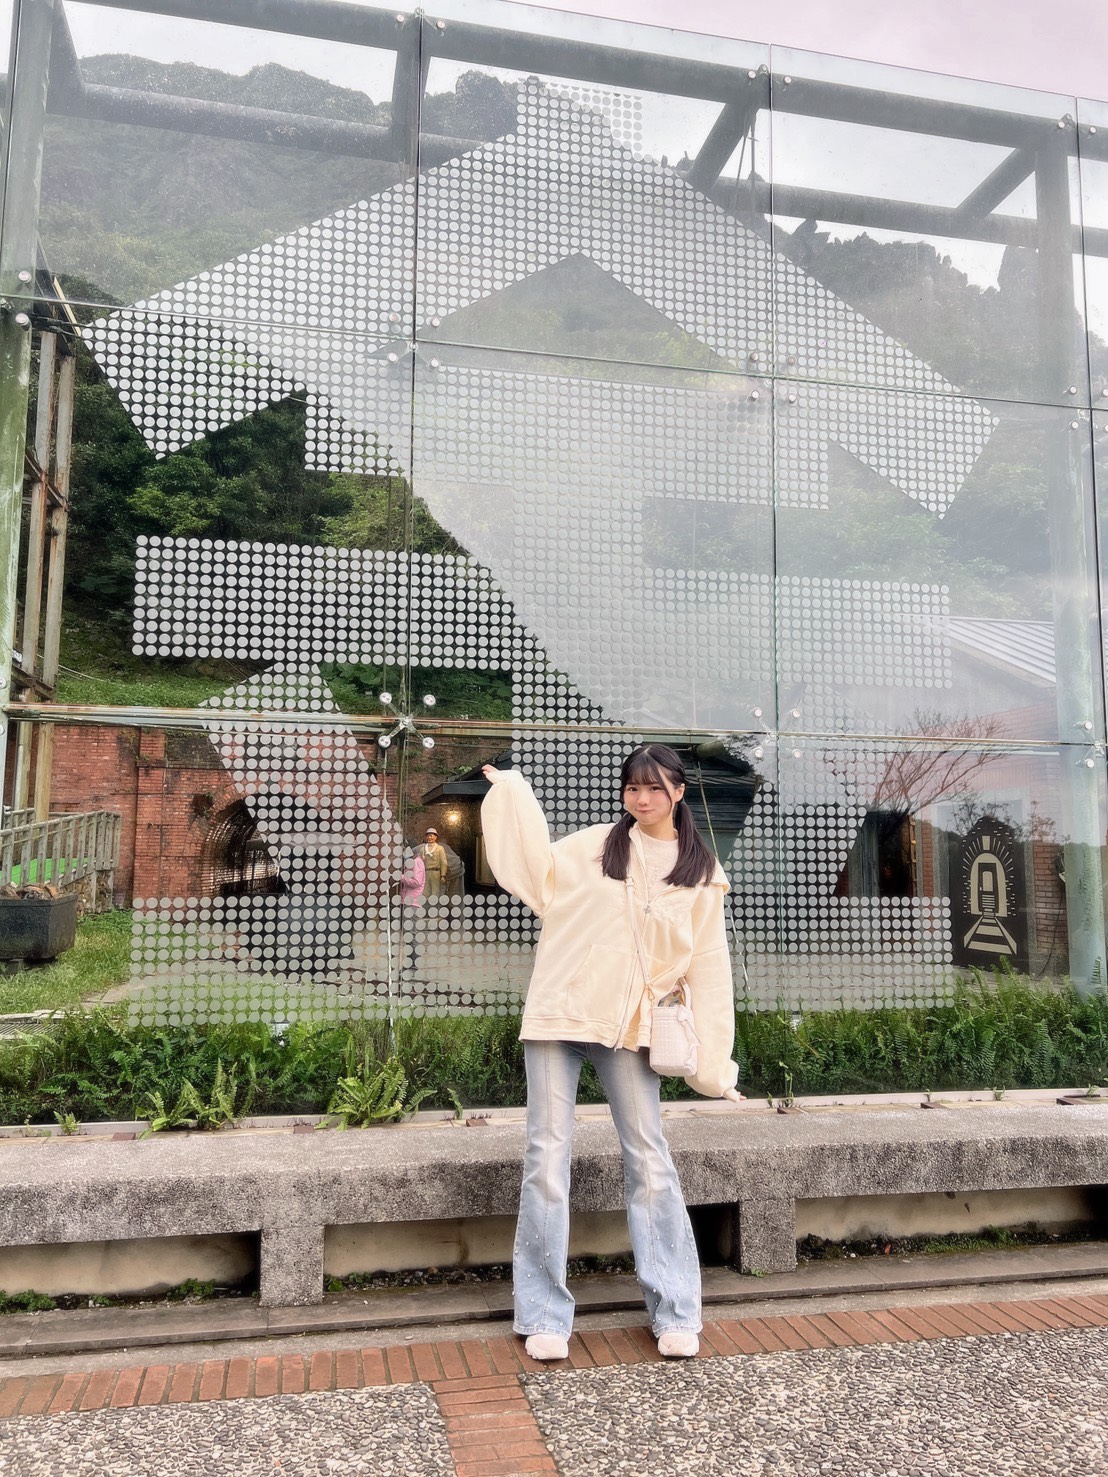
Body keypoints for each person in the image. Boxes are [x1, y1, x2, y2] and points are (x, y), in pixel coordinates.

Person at [480, 743, 745, 1364]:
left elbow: (709, 969)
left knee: (649, 1160)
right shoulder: (597, 845)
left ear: (679, 792)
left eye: (654, 788)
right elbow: (534, 872)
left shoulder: (700, 873)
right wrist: (514, 795)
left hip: (631, 1028)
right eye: (632, 788)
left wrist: (714, 1067)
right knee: (546, 1159)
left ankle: (675, 1309)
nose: (641, 799)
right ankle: (544, 1314)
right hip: (559, 1014)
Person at [418, 826, 449, 896]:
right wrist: (422, 859)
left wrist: (443, 875)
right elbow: (419, 862)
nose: (429, 837)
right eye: (428, 836)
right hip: (425, 872)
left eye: (431, 836)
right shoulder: (423, 849)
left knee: (435, 891)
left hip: (436, 872)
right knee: (425, 891)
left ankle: (434, 902)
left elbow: (443, 862)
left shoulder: (440, 848)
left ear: (435, 837)